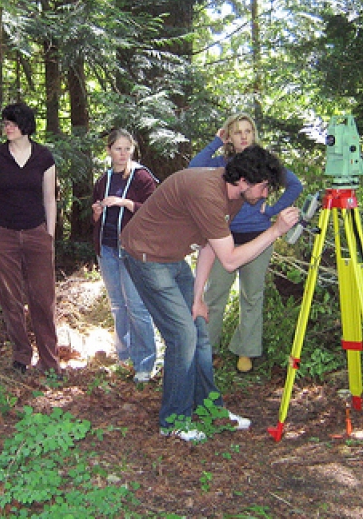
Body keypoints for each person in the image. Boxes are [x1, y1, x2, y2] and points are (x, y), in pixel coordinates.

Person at [120, 145, 300, 441]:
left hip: (172, 258)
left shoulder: (233, 197)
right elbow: (230, 259)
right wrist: (275, 232)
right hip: (145, 258)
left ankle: (209, 410)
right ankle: (174, 421)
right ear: (244, 180)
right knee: (183, 335)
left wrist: (198, 298)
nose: (267, 194)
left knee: (199, 329)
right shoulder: (208, 192)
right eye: (265, 187)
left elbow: (208, 245)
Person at [189, 114, 303, 373]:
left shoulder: (264, 163)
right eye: (237, 131)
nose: (243, 136)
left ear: (253, 134)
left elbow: (294, 185)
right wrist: (215, 142)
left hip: (258, 238)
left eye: (248, 131)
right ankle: (208, 349)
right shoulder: (221, 164)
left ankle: (246, 352)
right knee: (214, 294)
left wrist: (272, 210)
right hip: (223, 238)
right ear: (229, 136)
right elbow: (192, 170)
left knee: (252, 296)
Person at [0, 102, 60, 375]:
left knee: (43, 298)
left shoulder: (44, 158)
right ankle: (21, 356)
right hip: (3, 235)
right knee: (11, 299)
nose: (7, 128)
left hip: (37, 234)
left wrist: (49, 235)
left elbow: (50, 199)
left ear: (25, 125)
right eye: (5, 123)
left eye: (12, 123)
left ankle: (49, 360)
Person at [92, 128, 159, 382]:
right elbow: (96, 213)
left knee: (137, 306)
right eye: (118, 149)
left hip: (132, 250)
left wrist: (125, 203)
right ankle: (124, 357)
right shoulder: (105, 179)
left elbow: (155, 210)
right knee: (118, 305)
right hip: (107, 248)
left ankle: (145, 362)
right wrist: (97, 212)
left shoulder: (142, 177)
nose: (122, 154)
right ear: (109, 150)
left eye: (127, 149)